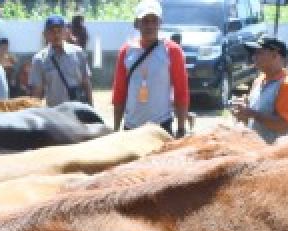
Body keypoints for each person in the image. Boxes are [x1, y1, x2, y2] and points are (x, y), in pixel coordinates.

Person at [112, 0, 189, 135]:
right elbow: (119, 92)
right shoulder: (126, 51)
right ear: (136, 23)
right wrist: (116, 129)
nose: (150, 25)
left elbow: (181, 91)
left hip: (161, 128)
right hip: (131, 127)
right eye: (145, 21)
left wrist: (181, 128)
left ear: (160, 23)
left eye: (154, 21)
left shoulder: (172, 51)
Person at [231, 37, 288, 144]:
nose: (254, 57)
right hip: (257, 151)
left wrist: (252, 113)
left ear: (275, 55)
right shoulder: (259, 81)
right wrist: (242, 113)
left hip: (278, 154)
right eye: (254, 53)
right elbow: (250, 120)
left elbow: (284, 126)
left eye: (259, 53)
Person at [30, 14, 93, 107]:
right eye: (52, 31)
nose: (56, 35)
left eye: (59, 31)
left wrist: (91, 107)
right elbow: (37, 92)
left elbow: (86, 83)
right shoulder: (39, 59)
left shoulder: (78, 53)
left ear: (66, 32)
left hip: (78, 111)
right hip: (55, 113)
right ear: (45, 34)